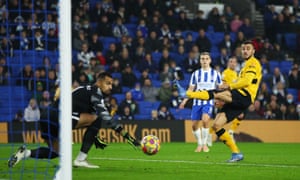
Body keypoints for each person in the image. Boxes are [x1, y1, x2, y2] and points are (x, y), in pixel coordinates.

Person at [8, 72, 140, 168]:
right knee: (99, 118)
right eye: (108, 83)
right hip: (60, 116)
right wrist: (128, 136)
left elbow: (85, 121)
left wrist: (94, 137)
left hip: (46, 116)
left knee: (56, 152)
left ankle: (25, 153)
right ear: (99, 82)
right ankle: (81, 159)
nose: (111, 87)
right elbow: (105, 118)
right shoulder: (95, 92)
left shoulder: (84, 91)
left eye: (112, 84)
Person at [185, 40, 262, 162]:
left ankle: (190, 94)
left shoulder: (253, 63)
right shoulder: (244, 65)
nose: (245, 51)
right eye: (243, 49)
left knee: (216, 93)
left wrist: (229, 86)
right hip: (239, 98)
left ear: (253, 51)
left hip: (244, 95)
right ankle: (236, 153)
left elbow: (247, 82)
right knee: (216, 125)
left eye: (248, 48)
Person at [179, 52, 222, 153]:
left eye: (206, 59)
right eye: (202, 59)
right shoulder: (196, 74)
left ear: (210, 60)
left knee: (205, 120)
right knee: (194, 125)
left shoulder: (215, 73)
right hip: (197, 102)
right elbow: (191, 89)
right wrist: (184, 101)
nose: (204, 61)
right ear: (200, 61)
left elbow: (220, 88)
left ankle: (204, 144)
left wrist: (220, 99)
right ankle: (199, 143)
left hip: (208, 101)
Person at [221, 56, 243, 142]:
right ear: (228, 63)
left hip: (235, 96)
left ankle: (230, 132)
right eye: (231, 62)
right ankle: (229, 132)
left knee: (240, 114)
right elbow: (222, 86)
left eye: (234, 62)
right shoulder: (225, 73)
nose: (233, 63)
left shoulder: (236, 74)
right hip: (228, 96)